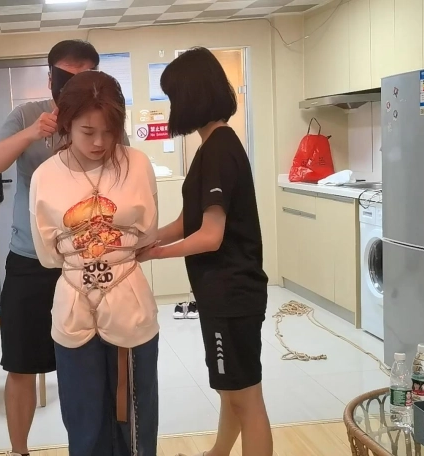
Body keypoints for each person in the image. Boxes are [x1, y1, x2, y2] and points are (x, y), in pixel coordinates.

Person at [0, 40, 128, 456]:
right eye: (65, 77)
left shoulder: (105, 121)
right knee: (21, 365)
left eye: (85, 77)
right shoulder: (27, 114)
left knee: (94, 364)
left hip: (89, 262)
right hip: (30, 259)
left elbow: (125, 175)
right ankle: (19, 450)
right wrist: (33, 132)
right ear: (50, 80)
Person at [138, 47, 273, 456]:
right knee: (231, 389)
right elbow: (190, 221)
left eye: (173, 97)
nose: (172, 108)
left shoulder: (218, 150)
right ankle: (217, 452)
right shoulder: (212, 146)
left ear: (191, 97)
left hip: (232, 294)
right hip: (225, 293)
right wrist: (148, 239)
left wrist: (155, 255)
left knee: (246, 398)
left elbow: (210, 236)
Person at [29, 70, 159, 456]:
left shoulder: (138, 164)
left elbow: (148, 234)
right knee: (84, 421)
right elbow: (47, 254)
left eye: (109, 131)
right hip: (73, 307)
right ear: (67, 123)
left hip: (129, 302)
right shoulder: (45, 175)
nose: (99, 142)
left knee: (135, 422)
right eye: (88, 132)